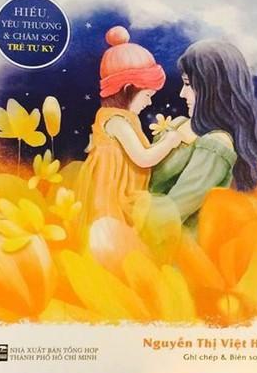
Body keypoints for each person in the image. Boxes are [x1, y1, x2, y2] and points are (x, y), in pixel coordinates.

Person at [150, 39, 257, 224]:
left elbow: (172, 211)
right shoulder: (179, 123)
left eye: (188, 84)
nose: (182, 93)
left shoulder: (216, 143)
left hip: (165, 234)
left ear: (213, 88)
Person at [75, 26, 184, 227]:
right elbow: (143, 158)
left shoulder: (125, 118)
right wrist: (169, 141)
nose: (149, 102)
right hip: (112, 199)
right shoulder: (117, 122)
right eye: (147, 95)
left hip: (121, 194)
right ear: (127, 89)